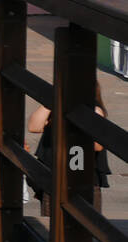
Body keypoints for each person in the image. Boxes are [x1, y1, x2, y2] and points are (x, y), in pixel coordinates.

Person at [30, 83, 111, 215]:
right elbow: (34, 126)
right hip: (55, 179)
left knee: (86, 227)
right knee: (52, 225)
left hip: (84, 180)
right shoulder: (55, 109)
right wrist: (51, 101)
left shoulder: (94, 110)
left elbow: (98, 145)